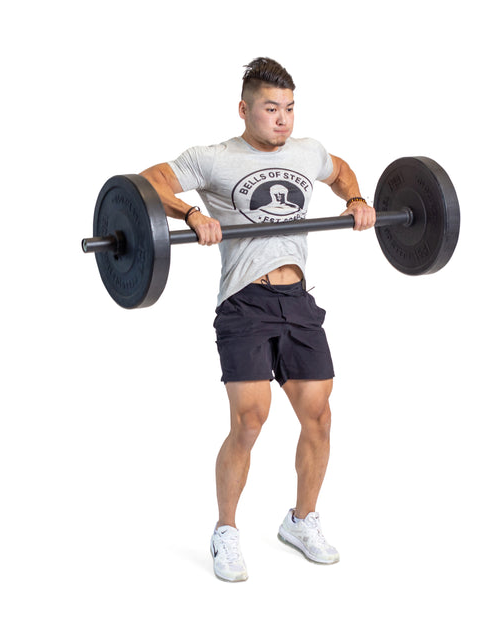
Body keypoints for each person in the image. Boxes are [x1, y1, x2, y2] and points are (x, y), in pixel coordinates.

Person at [140, 58, 375, 582]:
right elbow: (145, 182)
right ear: (245, 109)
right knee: (249, 420)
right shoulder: (214, 159)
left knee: (319, 416)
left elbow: (338, 170)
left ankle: (301, 521)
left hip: (298, 303)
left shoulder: (306, 151)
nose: (283, 120)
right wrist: (191, 214)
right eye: (271, 108)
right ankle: (226, 529)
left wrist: (356, 198)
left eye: (290, 108)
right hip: (245, 303)